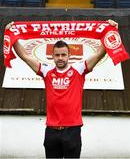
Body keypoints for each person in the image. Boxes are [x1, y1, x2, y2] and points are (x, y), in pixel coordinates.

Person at [6, 20, 118, 158]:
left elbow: (99, 54)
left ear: (69, 56)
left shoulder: (79, 69)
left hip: (72, 130)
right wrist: (12, 36)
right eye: (57, 55)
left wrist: (110, 31)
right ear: (52, 56)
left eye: (63, 55)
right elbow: (25, 56)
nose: (60, 58)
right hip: (51, 131)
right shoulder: (46, 71)